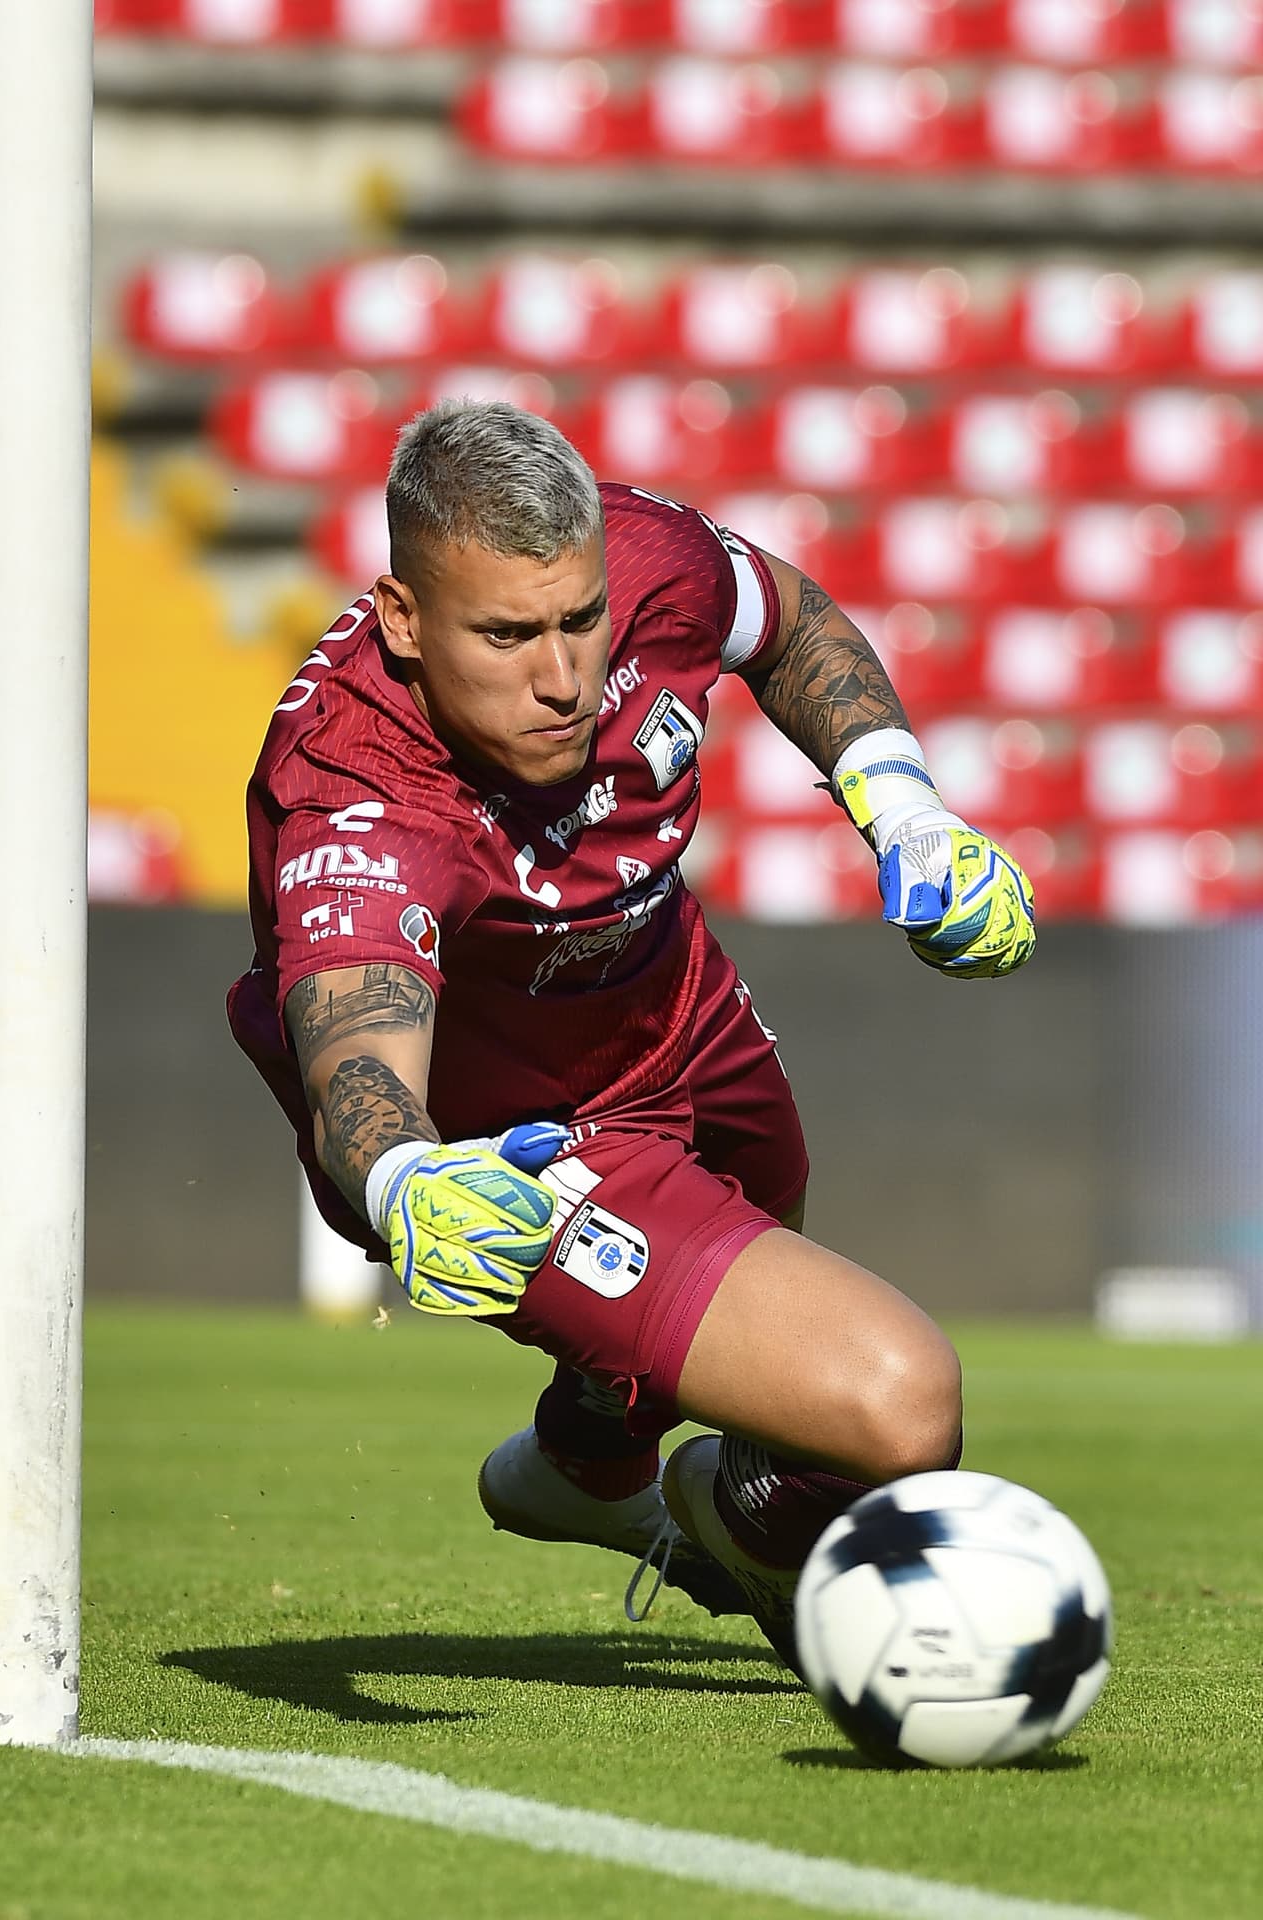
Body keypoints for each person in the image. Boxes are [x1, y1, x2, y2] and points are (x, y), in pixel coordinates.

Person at [228, 399, 1035, 1668]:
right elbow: (355, 1056)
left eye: (578, 622)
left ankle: (586, 1467)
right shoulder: (355, 784)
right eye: (504, 636)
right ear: (398, 618)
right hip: (526, 1132)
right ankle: (735, 1524)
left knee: (771, 1232)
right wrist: (401, 1175)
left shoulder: (647, 556)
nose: (560, 678)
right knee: (894, 1407)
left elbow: (789, 618)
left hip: (676, 998)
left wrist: (906, 808)